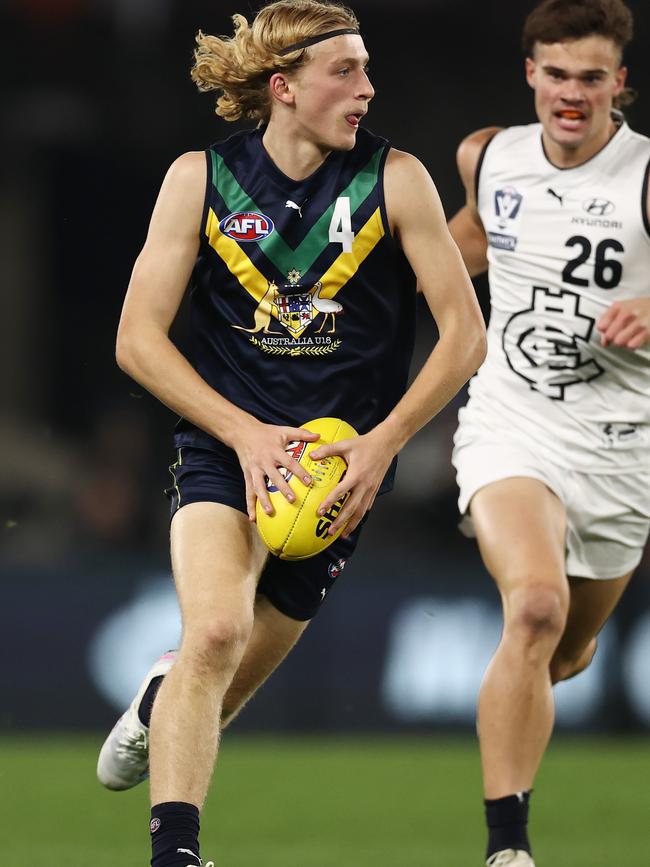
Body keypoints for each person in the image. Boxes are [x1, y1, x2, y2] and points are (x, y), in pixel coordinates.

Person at [96, 2, 486, 866]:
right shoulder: (199, 179)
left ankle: (159, 703)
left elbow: (465, 335)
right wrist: (241, 434)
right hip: (226, 450)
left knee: (219, 686)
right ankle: (176, 855)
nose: (367, 89)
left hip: (342, 468)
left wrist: (384, 444)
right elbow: (136, 339)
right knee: (214, 634)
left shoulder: (399, 179)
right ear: (286, 87)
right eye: (345, 71)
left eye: (368, 68)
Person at [448, 1, 650, 865]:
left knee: (564, 650)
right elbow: (466, 242)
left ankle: (561, 650)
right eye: (557, 74)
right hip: (512, 419)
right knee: (532, 605)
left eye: (591, 78)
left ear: (620, 85)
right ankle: (508, 847)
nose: (572, 94)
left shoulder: (644, 177)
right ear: (531, 72)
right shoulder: (488, 155)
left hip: (621, 443)